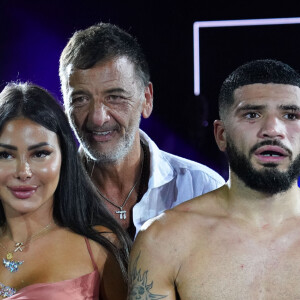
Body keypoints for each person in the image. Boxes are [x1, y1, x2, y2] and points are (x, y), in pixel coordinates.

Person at [128, 59, 300, 299]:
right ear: (221, 135)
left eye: (291, 115)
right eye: (252, 114)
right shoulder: (162, 240)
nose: (273, 129)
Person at [59, 22, 225, 239]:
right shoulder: (49, 196)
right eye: (80, 99)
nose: (98, 118)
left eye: (115, 97)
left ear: (146, 99)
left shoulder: (203, 189)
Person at [0, 82, 131, 299]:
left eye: (40, 154)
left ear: (64, 156)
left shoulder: (100, 246)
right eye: (5, 155)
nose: (23, 172)